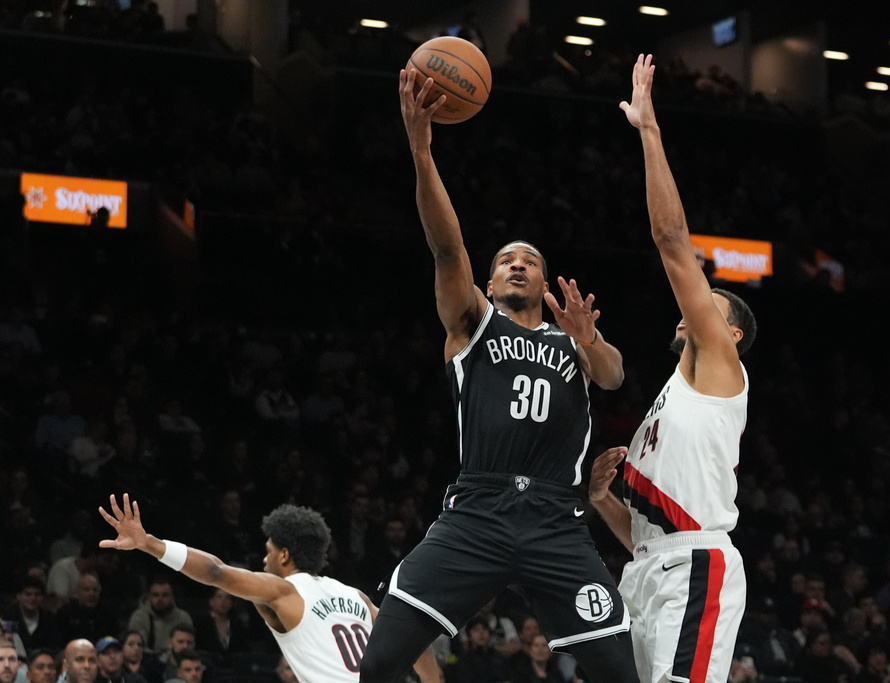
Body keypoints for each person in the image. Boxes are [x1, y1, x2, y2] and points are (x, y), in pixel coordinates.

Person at [358, 66, 641, 683]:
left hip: (555, 517)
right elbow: (447, 248)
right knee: (379, 662)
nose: (518, 265)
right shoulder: (473, 324)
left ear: (544, 281)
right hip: (478, 511)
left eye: (530, 261)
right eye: (507, 260)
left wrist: (589, 339)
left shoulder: (572, 341)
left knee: (622, 673)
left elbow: (614, 376)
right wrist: (421, 151)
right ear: (488, 283)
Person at [587, 54, 757, 683]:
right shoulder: (671, 397)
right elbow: (647, 537)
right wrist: (601, 500)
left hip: (697, 567)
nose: (695, 305)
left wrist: (650, 132)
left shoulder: (719, 365)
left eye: (711, 303)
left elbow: (670, 240)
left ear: (730, 333)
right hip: (648, 570)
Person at [98, 495, 439, 683]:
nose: (264, 560)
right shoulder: (357, 597)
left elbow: (216, 571)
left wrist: (151, 544)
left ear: (285, 555)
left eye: (268, 552)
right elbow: (417, 646)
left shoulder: (284, 591)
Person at [124, 578, 192, 654]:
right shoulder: (139, 617)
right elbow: (136, 647)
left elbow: (188, 646)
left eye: (165, 595)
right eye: (156, 595)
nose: (160, 599)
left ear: (172, 597)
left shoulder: (183, 618)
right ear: (149, 597)